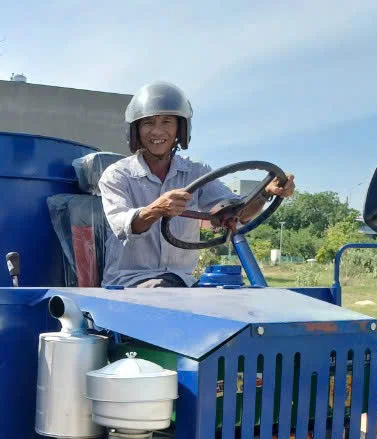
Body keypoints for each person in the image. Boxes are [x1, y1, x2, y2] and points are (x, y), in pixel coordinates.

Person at [98, 81, 295, 287]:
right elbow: (123, 226)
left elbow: (235, 214)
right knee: (164, 294)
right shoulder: (117, 175)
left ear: (180, 130)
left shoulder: (196, 173)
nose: (157, 131)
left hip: (182, 282)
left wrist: (265, 193)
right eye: (148, 123)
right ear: (135, 131)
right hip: (128, 283)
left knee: (234, 297)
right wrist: (156, 209)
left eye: (167, 122)